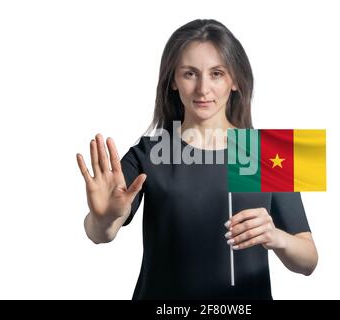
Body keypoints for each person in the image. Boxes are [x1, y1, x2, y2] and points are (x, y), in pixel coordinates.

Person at [76, 19, 318, 300]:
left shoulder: (270, 150)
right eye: (190, 74)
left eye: (217, 73)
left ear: (236, 80)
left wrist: (277, 237)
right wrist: (103, 218)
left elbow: (309, 261)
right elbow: (99, 233)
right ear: (173, 82)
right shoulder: (150, 151)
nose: (203, 88)